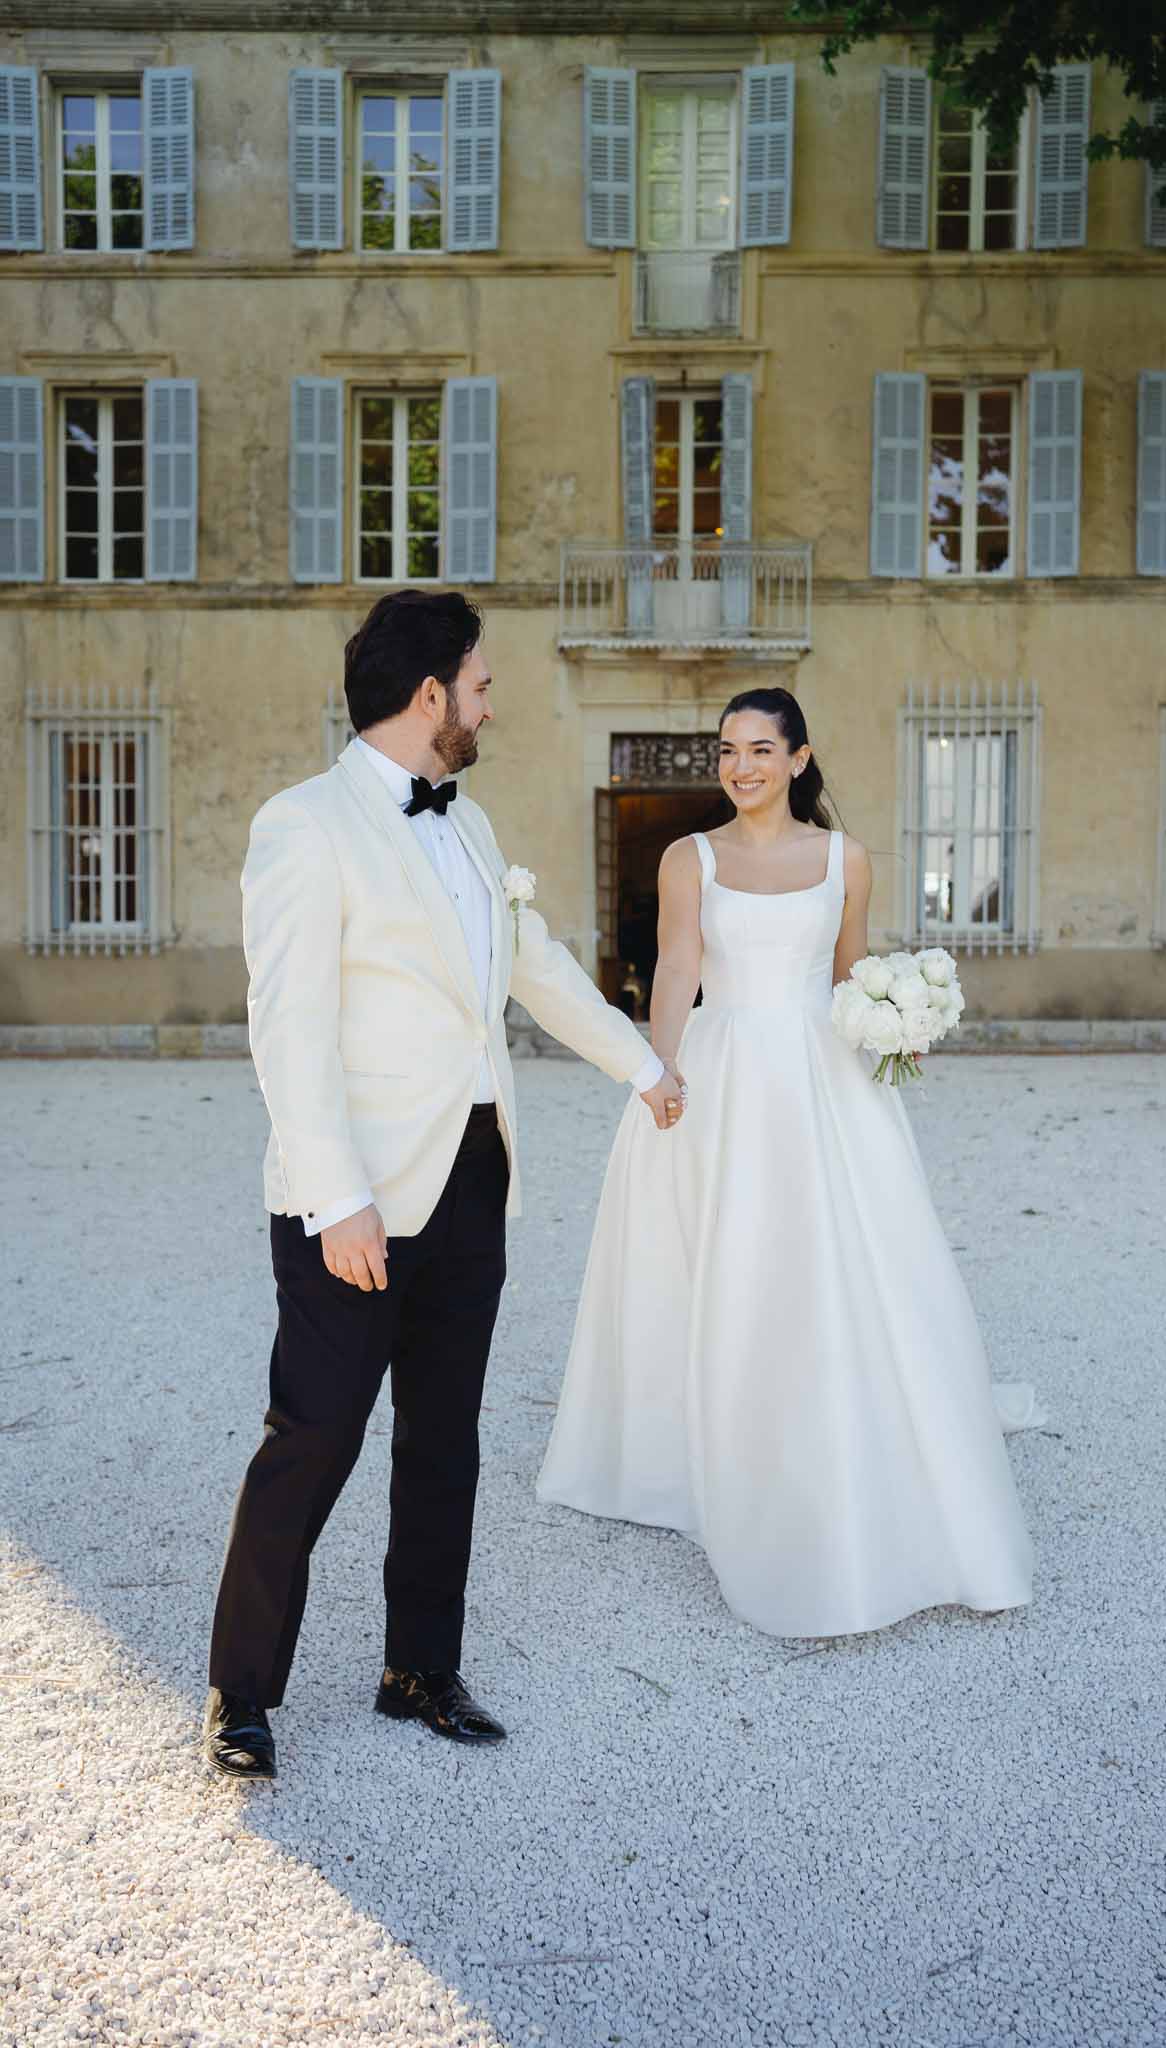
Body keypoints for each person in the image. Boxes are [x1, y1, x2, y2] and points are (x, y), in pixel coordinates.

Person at [204, 589, 685, 1781]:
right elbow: (288, 1027)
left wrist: (644, 1066)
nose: (488, 702)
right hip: (355, 1195)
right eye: (478, 683)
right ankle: (240, 1690)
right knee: (312, 1438)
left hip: (473, 1178)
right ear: (430, 696)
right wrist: (335, 1194)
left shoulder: (469, 826)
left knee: (445, 1438)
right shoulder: (303, 825)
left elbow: (539, 966)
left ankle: (419, 1666)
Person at [537, 687, 1044, 1638]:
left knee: (843, 1251)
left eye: (761, 749)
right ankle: (715, 1435)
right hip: (725, 1068)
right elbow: (679, 964)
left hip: (822, 1078)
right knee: (725, 1249)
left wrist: (897, 1021)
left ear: (799, 759)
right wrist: (660, 1068)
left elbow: (850, 968)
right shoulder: (688, 858)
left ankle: (843, 1418)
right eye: (728, 749)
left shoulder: (844, 860)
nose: (741, 765)